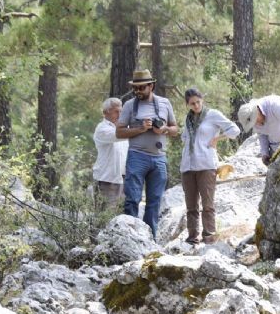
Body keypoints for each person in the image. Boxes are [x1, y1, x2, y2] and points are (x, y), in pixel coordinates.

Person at [116, 69, 178, 239]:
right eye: (135, 88)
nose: (137, 91)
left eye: (141, 88)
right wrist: (140, 128)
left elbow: (175, 129)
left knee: (154, 201)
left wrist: (163, 129)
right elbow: (119, 132)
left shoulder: (165, 103)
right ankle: (129, 237)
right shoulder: (129, 105)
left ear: (151, 86)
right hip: (137, 156)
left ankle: (150, 238)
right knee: (132, 198)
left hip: (159, 158)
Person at [180, 88, 240, 245]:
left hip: (206, 165)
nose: (196, 105)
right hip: (187, 166)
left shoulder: (212, 114)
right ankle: (192, 238)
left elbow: (235, 130)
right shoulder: (188, 119)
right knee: (191, 206)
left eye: (198, 102)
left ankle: (209, 238)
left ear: (202, 100)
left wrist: (218, 138)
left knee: (207, 204)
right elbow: (184, 138)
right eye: (192, 103)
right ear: (188, 105)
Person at [237, 95, 280, 165]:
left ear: (257, 110)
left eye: (255, 121)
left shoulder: (276, 106)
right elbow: (262, 134)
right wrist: (265, 153)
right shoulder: (256, 121)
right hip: (276, 149)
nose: (257, 125)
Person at [92, 97, 129, 210]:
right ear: (105, 113)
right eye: (116, 111)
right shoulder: (102, 128)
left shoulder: (125, 129)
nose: (119, 114)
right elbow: (118, 135)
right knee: (105, 216)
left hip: (123, 179)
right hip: (107, 180)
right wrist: (140, 130)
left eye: (121, 111)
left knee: (122, 216)